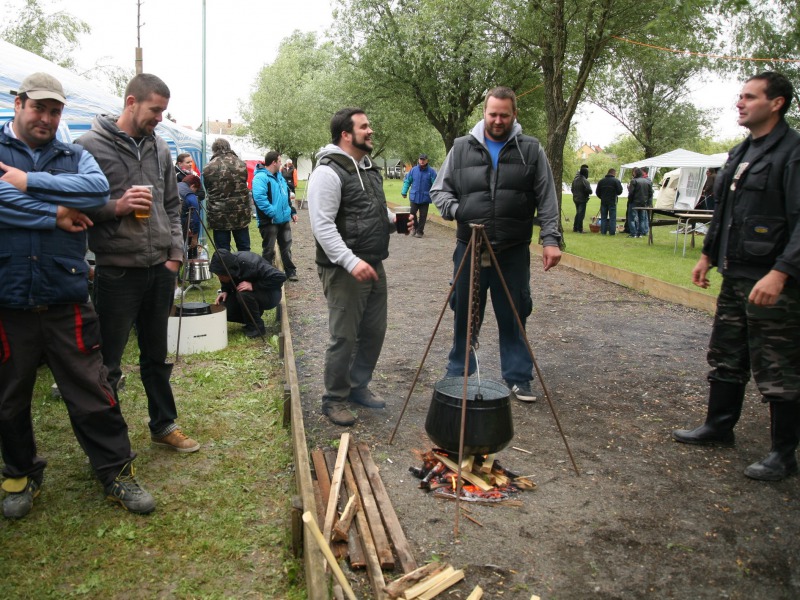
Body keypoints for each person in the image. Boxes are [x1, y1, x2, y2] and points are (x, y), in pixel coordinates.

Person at [0, 72, 154, 517]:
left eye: (55, 110)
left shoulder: (74, 155)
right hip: (8, 297)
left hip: (65, 293)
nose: (47, 118)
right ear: (18, 103)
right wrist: (54, 215)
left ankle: (115, 471)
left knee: (92, 387)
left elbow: (96, 191)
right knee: (8, 398)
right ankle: (19, 473)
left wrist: (25, 183)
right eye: (39, 108)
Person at [672, 71, 800, 482]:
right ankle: (719, 426)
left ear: (776, 102)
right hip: (736, 274)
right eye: (739, 97)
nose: (739, 103)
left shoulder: (791, 153)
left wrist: (782, 272)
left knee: (777, 367)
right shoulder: (741, 152)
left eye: (749, 97)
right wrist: (707, 254)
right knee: (726, 353)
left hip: (773, 282)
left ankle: (783, 454)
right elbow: (725, 212)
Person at [76, 73, 200, 454]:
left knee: (155, 355)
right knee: (108, 362)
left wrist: (176, 256)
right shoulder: (88, 147)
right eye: (155, 110)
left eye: (163, 111)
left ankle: (163, 424)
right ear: (131, 102)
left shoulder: (160, 148)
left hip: (159, 269)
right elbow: (77, 208)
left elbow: (171, 205)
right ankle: (110, 442)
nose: (160, 118)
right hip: (116, 271)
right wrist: (117, 207)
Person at [431, 86, 562, 403]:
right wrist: (459, 211)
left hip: (512, 250)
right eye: (493, 114)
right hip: (469, 249)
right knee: (464, 311)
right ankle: (460, 370)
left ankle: (518, 377)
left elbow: (547, 198)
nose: (498, 120)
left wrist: (551, 240)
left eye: (505, 114)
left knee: (515, 313)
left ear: (514, 114)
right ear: (484, 113)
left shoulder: (530, 150)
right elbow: (440, 191)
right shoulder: (462, 148)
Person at [307, 107, 414, 426]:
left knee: (373, 332)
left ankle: (358, 386)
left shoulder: (368, 169)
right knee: (344, 336)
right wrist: (350, 262)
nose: (371, 131)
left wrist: (395, 223)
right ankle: (334, 398)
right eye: (364, 126)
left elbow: (370, 215)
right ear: (345, 134)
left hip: (373, 263)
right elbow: (322, 226)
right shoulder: (327, 172)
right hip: (343, 269)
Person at [209, 249, 287, 338]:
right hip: (250, 296)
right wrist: (225, 291)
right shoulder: (227, 266)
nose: (220, 278)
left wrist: (254, 286)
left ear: (229, 270)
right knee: (224, 308)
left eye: (221, 276)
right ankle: (251, 319)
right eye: (218, 275)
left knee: (243, 294)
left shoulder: (251, 263)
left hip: (271, 294)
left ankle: (257, 327)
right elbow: (226, 280)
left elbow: (280, 277)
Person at [253, 151, 298, 281]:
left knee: (286, 247)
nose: (281, 163)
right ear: (273, 162)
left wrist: (292, 211)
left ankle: (290, 271)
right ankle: (266, 274)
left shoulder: (279, 176)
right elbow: (259, 198)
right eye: (279, 161)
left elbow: (286, 196)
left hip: (283, 219)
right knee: (268, 249)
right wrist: (272, 212)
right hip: (269, 221)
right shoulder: (261, 177)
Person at [202, 138, 251, 252]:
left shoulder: (208, 167)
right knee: (244, 247)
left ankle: (225, 270)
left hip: (219, 214)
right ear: (229, 147)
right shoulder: (242, 164)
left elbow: (207, 188)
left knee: (222, 250)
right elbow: (244, 182)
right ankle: (245, 268)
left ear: (214, 150)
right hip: (240, 213)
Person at [400, 153, 437, 238]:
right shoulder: (413, 170)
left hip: (425, 198)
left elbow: (435, 185)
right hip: (414, 197)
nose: (422, 161)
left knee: (423, 216)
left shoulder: (431, 172)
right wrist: (404, 192)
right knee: (412, 213)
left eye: (424, 159)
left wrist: (436, 195)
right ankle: (415, 228)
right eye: (420, 159)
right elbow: (407, 181)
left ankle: (420, 231)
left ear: (427, 160)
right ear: (418, 160)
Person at [595, 168, 623, 235]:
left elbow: (597, 192)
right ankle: (612, 232)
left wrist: (601, 197)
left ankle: (603, 231)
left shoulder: (601, 181)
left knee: (603, 217)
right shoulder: (616, 181)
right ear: (614, 173)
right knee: (612, 217)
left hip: (603, 201)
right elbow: (620, 191)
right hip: (612, 201)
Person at [626, 167, 653, 238]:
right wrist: (647, 201)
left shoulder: (634, 181)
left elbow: (631, 193)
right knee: (642, 219)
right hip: (643, 203)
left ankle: (633, 233)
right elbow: (650, 193)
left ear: (635, 173)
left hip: (634, 202)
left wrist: (630, 200)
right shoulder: (647, 181)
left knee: (632, 218)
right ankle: (640, 233)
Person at [571, 164, 591, 233]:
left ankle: (575, 227)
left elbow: (572, 189)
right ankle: (580, 228)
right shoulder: (585, 181)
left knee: (578, 213)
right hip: (582, 199)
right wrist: (586, 191)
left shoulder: (575, 180)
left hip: (575, 198)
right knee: (581, 214)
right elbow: (589, 190)